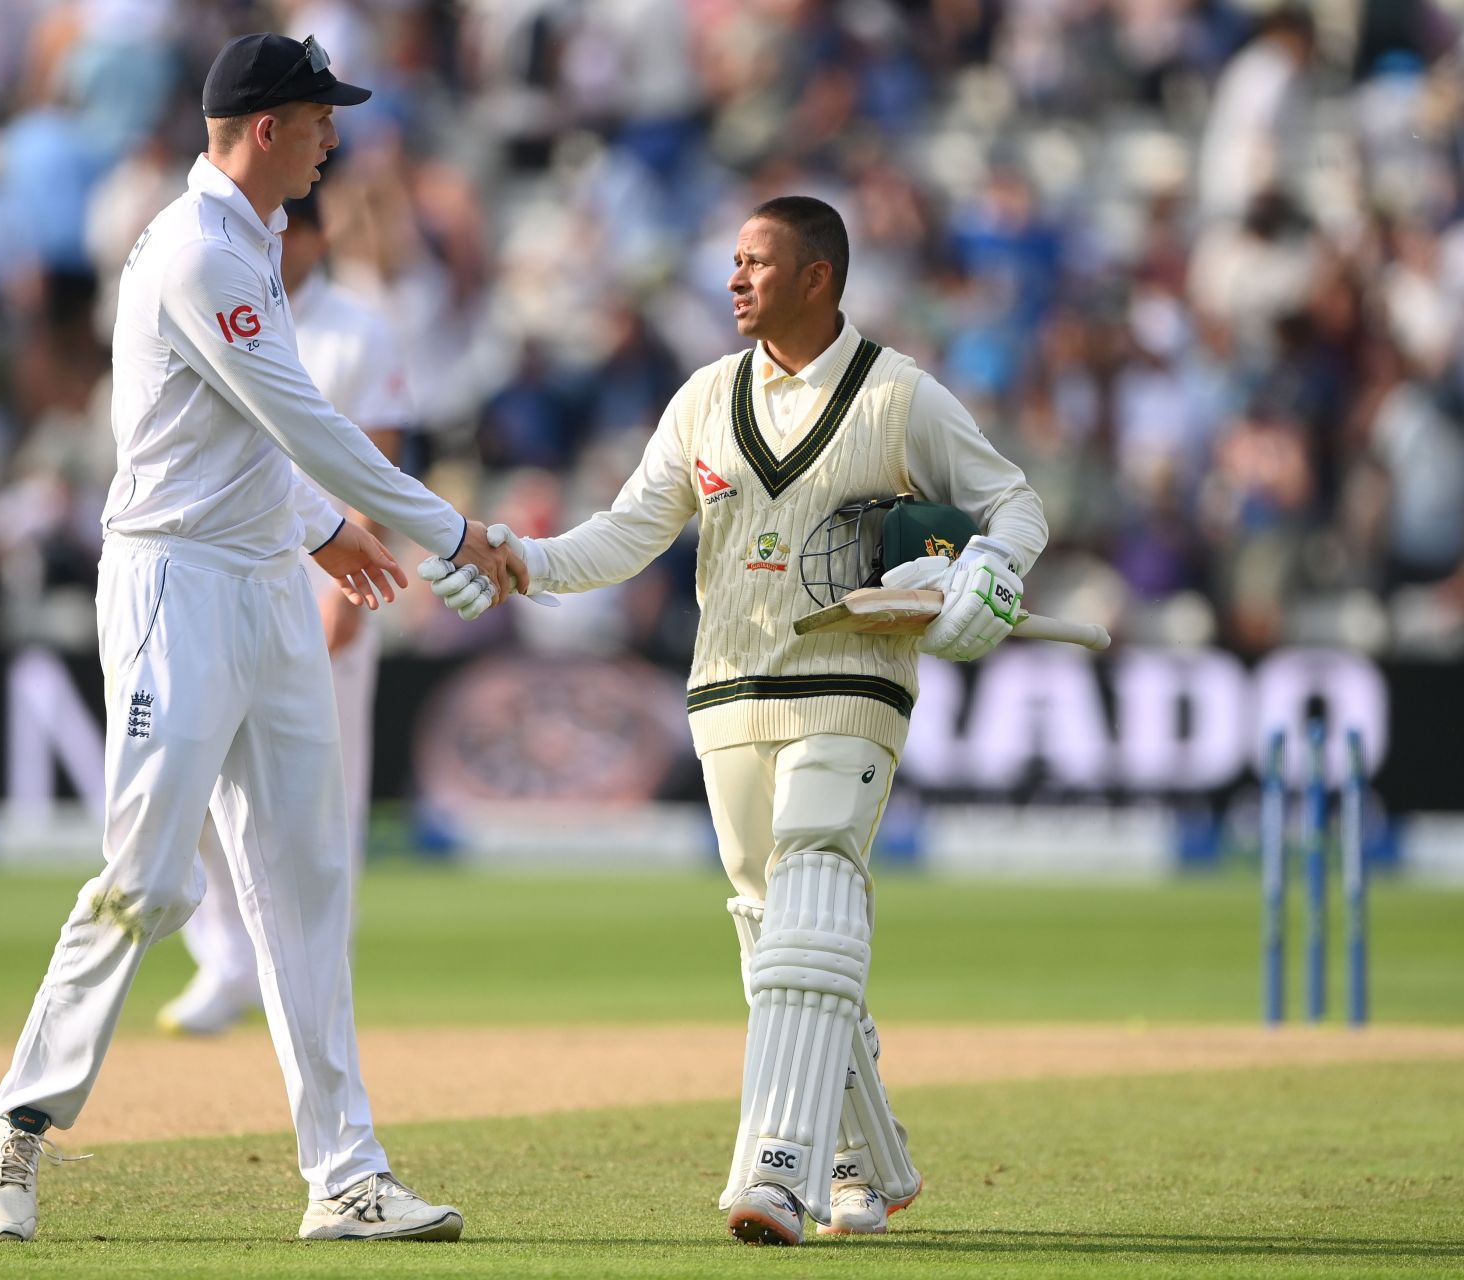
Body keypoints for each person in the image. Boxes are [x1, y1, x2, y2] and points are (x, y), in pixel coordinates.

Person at [0, 33, 521, 1246]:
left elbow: (247, 435)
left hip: (260, 581)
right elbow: (300, 417)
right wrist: (451, 532)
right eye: (321, 117)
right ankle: (14, 1118)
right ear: (267, 125)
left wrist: (319, 532)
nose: (336, 136)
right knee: (151, 877)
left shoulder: (252, 239)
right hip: (175, 585)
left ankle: (345, 1173)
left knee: (306, 877)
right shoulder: (200, 249)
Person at [425, 196, 1048, 1245]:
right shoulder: (706, 395)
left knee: (811, 881)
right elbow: (630, 529)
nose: (736, 279)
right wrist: (523, 558)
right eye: (732, 261)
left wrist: (988, 565)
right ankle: (870, 1164)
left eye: (758, 262)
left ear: (819, 277)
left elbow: (1015, 503)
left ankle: (775, 1171)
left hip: (851, 681)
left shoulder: (902, 395)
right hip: (726, 692)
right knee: (776, 937)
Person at [158, 189, 411, 1037]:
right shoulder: (224, 294)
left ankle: (316, 972)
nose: (283, 241)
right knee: (193, 770)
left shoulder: (358, 326)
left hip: (330, 566)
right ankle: (228, 960)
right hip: (229, 559)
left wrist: (350, 587)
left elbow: (380, 456)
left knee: (325, 791)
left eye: (296, 229)